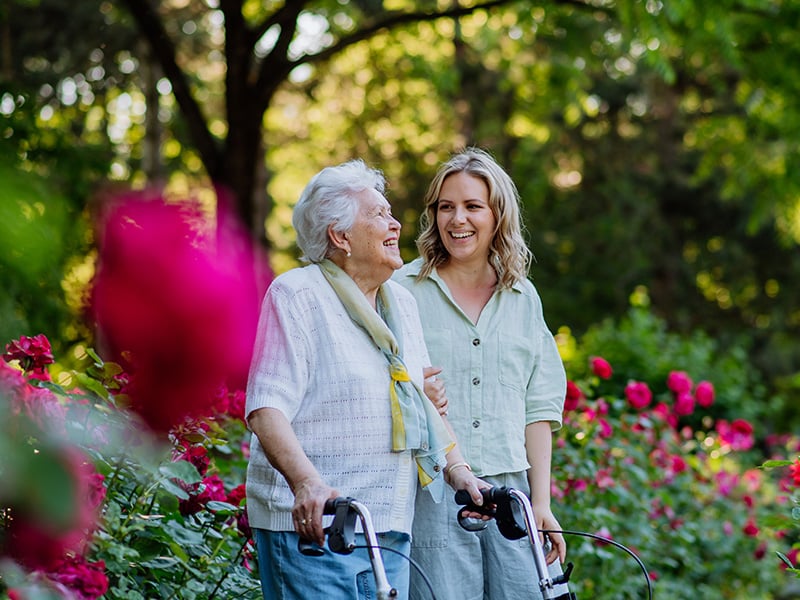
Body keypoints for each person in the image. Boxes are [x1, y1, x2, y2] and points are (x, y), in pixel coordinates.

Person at [244, 159, 485, 600]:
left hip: (389, 527)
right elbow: (265, 408)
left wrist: (461, 473)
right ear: (340, 236)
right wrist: (306, 482)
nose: (395, 223)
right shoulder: (298, 295)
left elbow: (420, 404)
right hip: (317, 530)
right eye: (379, 214)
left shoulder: (401, 305)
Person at [394, 147, 571, 600]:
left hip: (512, 495)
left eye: (473, 206)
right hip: (434, 492)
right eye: (446, 207)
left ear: (497, 215)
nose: (458, 220)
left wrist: (542, 505)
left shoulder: (523, 297)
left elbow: (539, 407)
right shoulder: (400, 292)